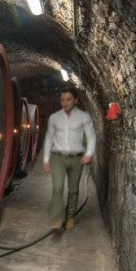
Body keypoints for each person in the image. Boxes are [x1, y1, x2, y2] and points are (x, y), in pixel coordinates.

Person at [42, 86, 96, 231]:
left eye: (69, 99)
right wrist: (46, 159)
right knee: (58, 187)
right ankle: (57, 219)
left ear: (75, 100)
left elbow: (91, 136)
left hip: (76, 158)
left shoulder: (84, 117)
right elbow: (49, 138)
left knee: (73, 189)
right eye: (63, 100)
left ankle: (70, 216)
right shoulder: (55, 118)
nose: (65, 103)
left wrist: (89, 153)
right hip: (58, 157)